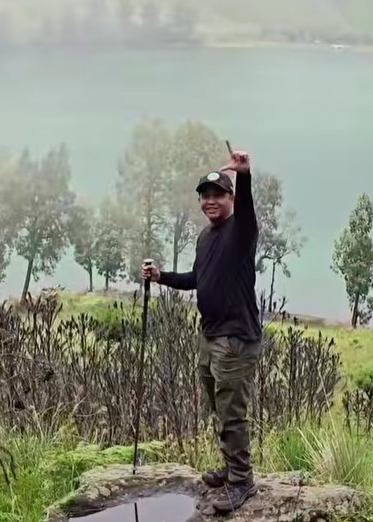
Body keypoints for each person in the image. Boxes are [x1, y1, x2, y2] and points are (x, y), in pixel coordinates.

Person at [141, 149, 261, 513]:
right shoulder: (205, 237)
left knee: (232, 412)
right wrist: (161, 277)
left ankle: (242, 482)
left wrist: (244, 175)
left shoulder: (241, 231)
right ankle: (230, 468)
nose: (210, 200)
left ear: (231, 198)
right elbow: (198, 278)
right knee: (218, 408)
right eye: (205, 195)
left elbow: (247, 211)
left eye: (218, 194)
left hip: (235, 339)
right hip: (209, 337)